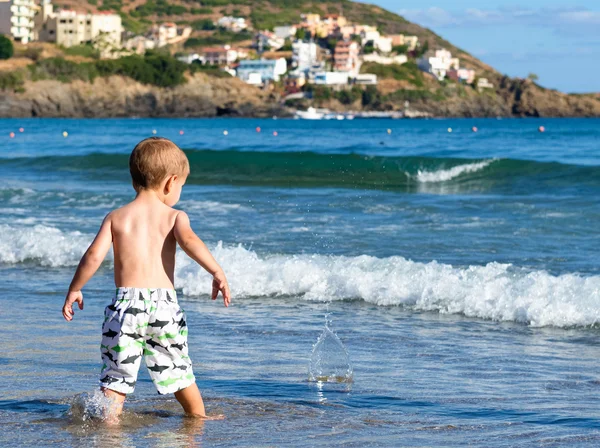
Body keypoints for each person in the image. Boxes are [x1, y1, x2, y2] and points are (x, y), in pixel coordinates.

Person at [62, 137, 230, 420]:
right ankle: (198, 418)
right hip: (163, 306)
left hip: (125, 307)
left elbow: (93, 255)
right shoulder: (175, 216)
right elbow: (190, 242)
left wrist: (75, 288)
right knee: (177, 369)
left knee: (117, 377)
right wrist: (216, 271)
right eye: (181, 186)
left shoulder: (116, 217)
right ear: (170, 182)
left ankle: (110, 425)